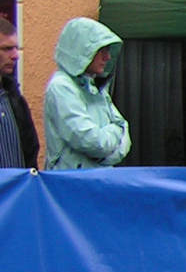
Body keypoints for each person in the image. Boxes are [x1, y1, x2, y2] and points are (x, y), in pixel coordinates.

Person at [44, 17, 129, 170]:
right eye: (101, 50)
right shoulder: (61, 87)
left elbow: (124, 129)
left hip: (99, 182)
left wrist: (104, 156)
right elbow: (89, 140)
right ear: (81, 50)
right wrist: (112, 137)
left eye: (108, 50)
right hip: (71, 186)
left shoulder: (96, 88)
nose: (107, 57)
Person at [0, 19, 38, 169]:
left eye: (16, 48)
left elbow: (31, 151)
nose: (16, 55)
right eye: (7, 48)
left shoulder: (14, 98)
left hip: (18, 190)